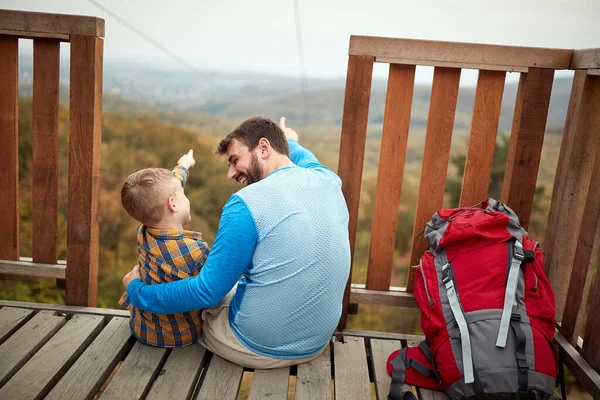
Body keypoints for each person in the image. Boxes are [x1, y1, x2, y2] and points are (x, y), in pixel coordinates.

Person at [122, 117, 350, 368]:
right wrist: (290, 141)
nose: (230, 174)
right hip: (315, 341)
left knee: (205, 297)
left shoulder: (246, 203)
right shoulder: (327, 179)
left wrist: (137, 291)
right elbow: (302, 158)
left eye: (234, 160)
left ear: (264, 148)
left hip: (257, 346)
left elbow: (206, 292)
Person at [119, 150, 210, 347]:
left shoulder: (143, 231)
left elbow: (166, 190)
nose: (185, 196)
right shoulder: (196, 251)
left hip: (141, 330)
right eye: (183, 195)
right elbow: (212, 289)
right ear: (173, 204)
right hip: (183, 336)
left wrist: (183, 167)